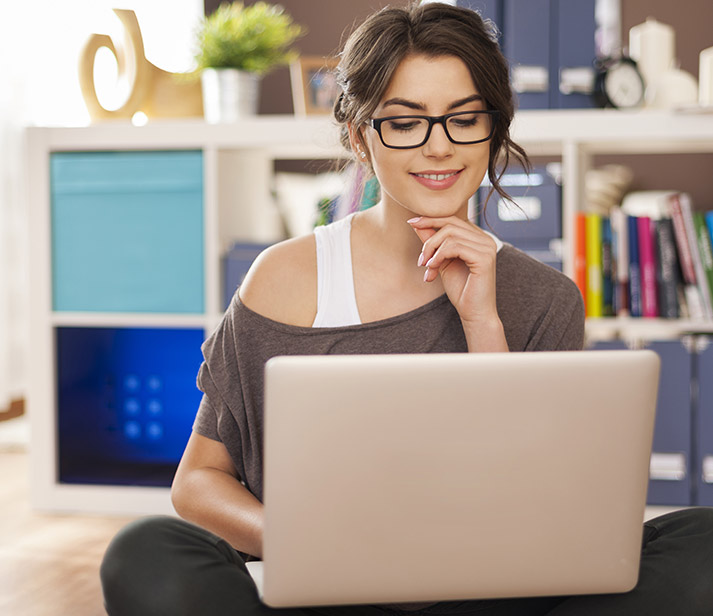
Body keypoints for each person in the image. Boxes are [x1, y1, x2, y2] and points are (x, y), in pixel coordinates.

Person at [100, 3, 713, 615]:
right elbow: (198, 481)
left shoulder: (545, 298)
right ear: (357, 134)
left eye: (464, 119)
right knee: (146, 551)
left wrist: (483, 322)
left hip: (485, 591)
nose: (439, 147)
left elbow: (533, 503)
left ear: (493, 129)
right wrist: (314, 548)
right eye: (405, 122)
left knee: (702, 542)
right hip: (326, 587)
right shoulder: (282, 279)